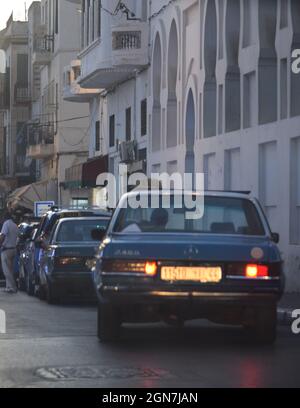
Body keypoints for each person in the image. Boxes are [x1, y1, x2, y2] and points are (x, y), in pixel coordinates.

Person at [0, 212, 19, 294]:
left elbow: (3, 235)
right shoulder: (15, 225)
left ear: (5, 217)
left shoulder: (6, 224)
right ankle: (8, 286)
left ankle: (12, 287)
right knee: (10, 269)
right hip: (13, 249)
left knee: (6, 270)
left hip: (6, 250)